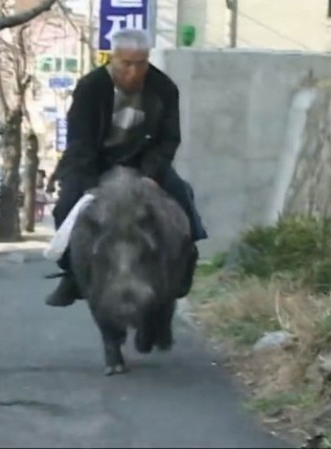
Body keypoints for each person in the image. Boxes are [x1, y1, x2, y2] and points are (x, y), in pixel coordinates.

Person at [45, 28, 208, 307]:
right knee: (67, 206)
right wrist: (90, 184)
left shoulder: (164, 88)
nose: (134, 71)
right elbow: (80, 140)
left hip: (143, 162)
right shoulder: (90, 87)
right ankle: (73, 272)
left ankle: (186, 260)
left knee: (182, 195)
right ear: (112, 58)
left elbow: (169, 139)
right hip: (94, 164)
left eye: (141, 63)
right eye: (126, 63)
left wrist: (152, 175)